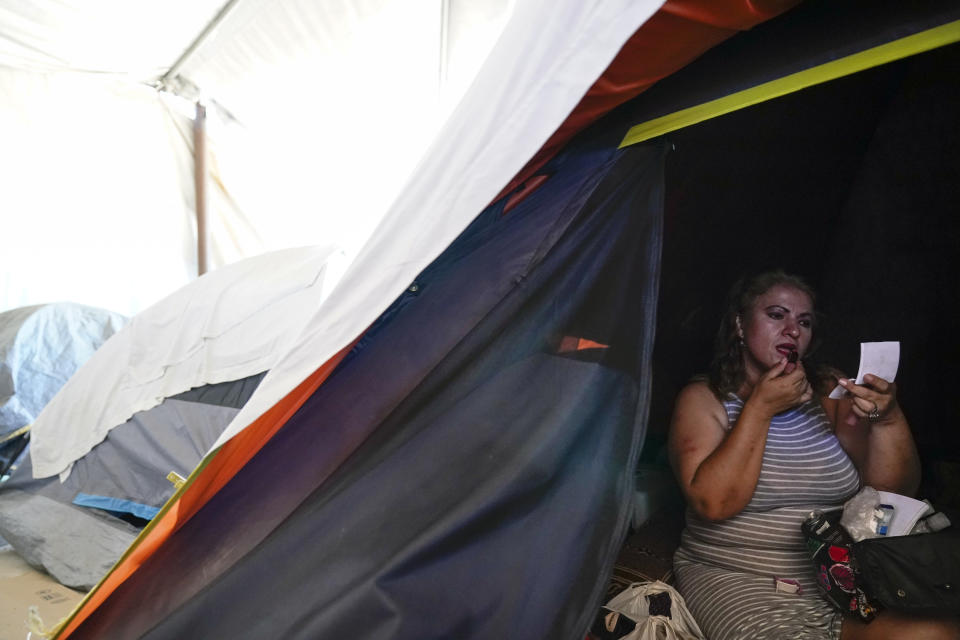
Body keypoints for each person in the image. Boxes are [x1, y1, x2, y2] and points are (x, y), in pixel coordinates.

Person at [667, 270, 959, 640]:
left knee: (939, 633)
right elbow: (714, 503)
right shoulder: (704, 399)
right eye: (777, 315)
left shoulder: (826, 392)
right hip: (736, 575)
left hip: (837, 576)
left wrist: (887, 419)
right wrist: (760, 408)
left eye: (803, 322)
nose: (793, 330)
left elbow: (891, 493)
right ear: (740, 325)